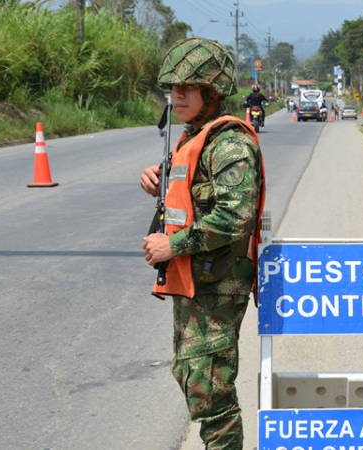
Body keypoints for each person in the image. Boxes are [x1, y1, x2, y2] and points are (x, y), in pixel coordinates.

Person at [140, 37, 265, 450]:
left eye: (187, 88)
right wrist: (156, 180)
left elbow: (235, 216)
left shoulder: (230, 143)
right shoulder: (197, 137)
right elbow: (192, 196)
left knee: (211, 391)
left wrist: (172, 247)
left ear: (212, 92)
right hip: (195, 281)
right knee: (192, 375)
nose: (177, 96)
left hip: (218, 284)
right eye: (172, 88)